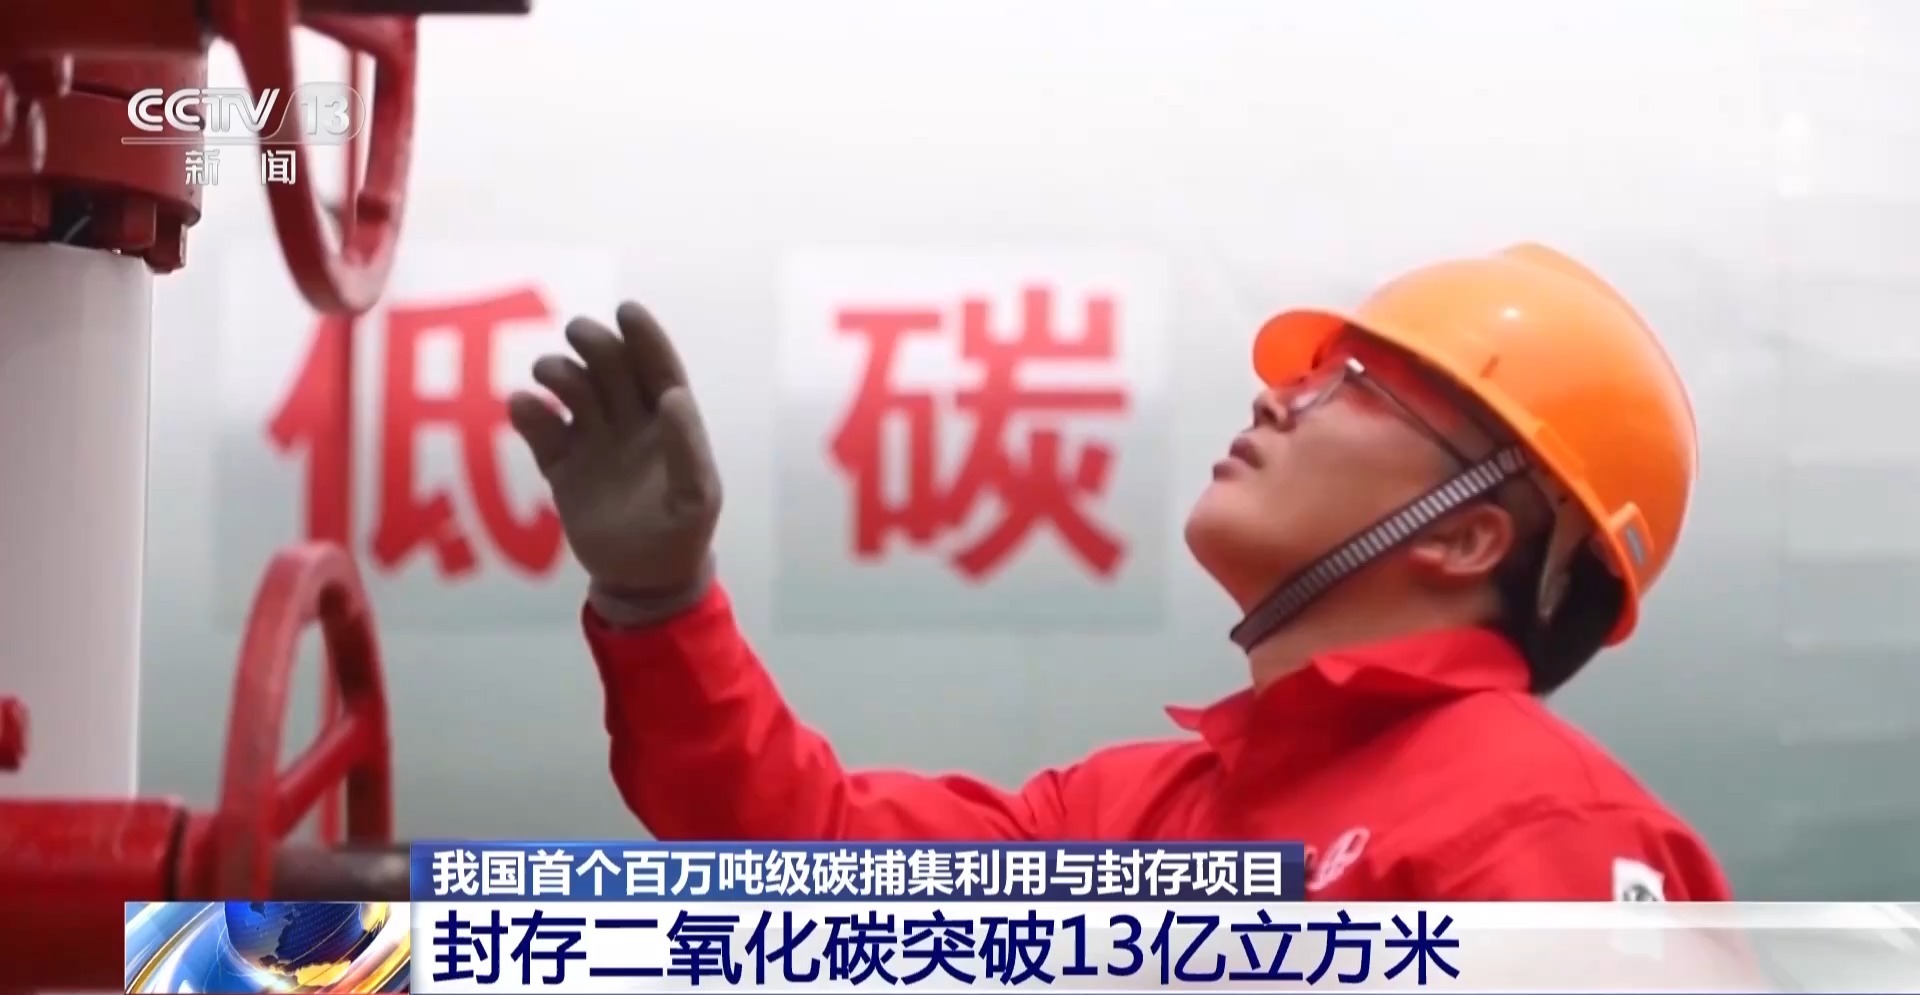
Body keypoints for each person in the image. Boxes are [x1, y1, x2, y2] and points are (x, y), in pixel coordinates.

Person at [506, 243, 1733, 901]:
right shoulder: (1136, 812)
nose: (1277, 397)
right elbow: (813, 852)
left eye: (1352, 388)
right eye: (1305, 374)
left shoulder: (1544, 832)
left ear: (1468, 536)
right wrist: (661, 602)